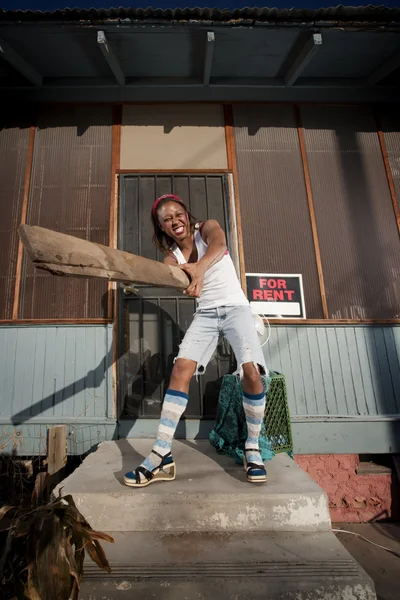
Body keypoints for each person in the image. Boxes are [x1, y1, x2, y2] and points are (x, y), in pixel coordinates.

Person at [124, 194, 269, 488]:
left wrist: (199, 269)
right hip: (205, 314)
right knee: (180, 370)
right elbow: (168, 273)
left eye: (178, 214)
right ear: (162, 228)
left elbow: (219, 244)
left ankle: (252, 447)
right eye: (167, 219)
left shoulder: (207, 228)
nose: (174, 220)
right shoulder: (173, 256)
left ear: (187, 215)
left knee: (251, 371)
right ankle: (161, 453)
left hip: (236, 308)